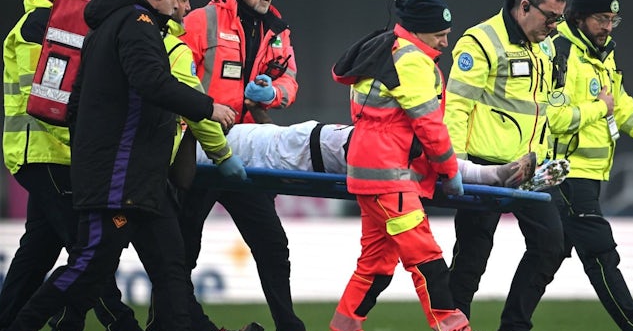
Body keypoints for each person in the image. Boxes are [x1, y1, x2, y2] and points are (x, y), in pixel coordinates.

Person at [0, 0, 245, 331]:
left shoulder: (103, 30)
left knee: (170, 264)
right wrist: (208, 107)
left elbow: (76, 103)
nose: (179, 7)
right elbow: (152, 82)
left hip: (135, 174)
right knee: (88, 265)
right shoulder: (137, 25)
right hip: (120, 177)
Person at [315, 0, 511, 331]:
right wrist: (449, 169)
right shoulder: (414, 61)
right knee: (427, 261)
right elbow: (427, 124)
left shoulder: (384, 51)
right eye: (440, 34)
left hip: (371, 173)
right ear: (420, 32)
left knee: (374, 268)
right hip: (390, 178)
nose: (445, 42)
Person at [1, 0, 166, 331]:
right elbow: (52, 100)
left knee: (37, 255)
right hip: (46, 152)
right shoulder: (44, 22)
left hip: (50, 153)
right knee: (91, 253)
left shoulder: (62, 19)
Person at [179, 0, 321, 331]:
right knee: (180, 250)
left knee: (272, 246)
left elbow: (289, 80)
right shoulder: (200, 20)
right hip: (199, 150)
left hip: (243, 149)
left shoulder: (277, 29)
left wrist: (271, 95)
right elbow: (176, 78)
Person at [442, 0, 569, 331]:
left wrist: (545, 158)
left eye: (559, 20)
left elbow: (540, 109)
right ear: (524, 6)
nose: (553, 27)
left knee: (551, 245)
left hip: (528, 172)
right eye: (550, 17)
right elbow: (456, 108)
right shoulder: (479, 41)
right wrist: (455, 167)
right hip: (482, 168)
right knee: (472, 259)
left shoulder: (544, 45)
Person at [144, 0, 265, 331]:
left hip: (134, 167)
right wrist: (224, 156)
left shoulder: (134, 37)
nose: (189, 6)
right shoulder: (174, 46)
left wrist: (273, 92)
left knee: (162, 259)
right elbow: (195, 107)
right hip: (141, 171)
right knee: (155, 258)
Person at [547, 0, 633, 331]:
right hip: (564, 173)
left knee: (545, 259)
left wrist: (612, 109)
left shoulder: (602, 53)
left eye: (612, 20)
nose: (607, 27)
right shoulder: (559, 52)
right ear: (580, 16)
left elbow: (625, 107)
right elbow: (555, 118)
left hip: (589, 175)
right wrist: (599, 108)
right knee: (602, 254)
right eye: (601, 18)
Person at [196, 121, 539, 189]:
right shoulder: (197, 148)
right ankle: (491, 175)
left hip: (302, 144)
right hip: (305, 147)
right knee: (404, 162)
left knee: (405, 160)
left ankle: (491, 175)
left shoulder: (201, 142)